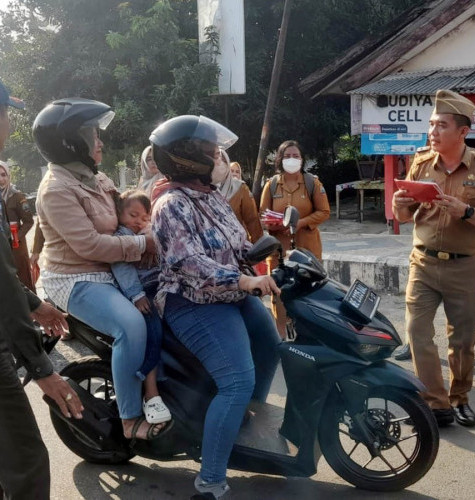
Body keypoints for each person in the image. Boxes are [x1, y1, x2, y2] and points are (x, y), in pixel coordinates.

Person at [0, 68, 83, 499]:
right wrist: (42, 368)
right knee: (28, 462)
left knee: (4, 456)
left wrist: (33, 303)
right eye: (8, 113)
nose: (10, 122)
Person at [149, 115, 281, 499]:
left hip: (230, 294)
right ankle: (209, 481)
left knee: (270, 347)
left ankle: (236, 418)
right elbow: (190, 264)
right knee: (237, 381)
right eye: (211, 152)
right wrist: (245, 281)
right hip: (192, 301)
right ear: (187, 160)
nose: (219, 157)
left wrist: (263, 255)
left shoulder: (212, 197)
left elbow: (235, 244)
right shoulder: (171, 205)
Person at [33, 97, 171, 442]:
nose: (100, 142)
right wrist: (143, 245)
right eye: (93, 136)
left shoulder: (98, 178)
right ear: (70, 142)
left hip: (115, 268)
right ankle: (129, 418)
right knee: (132, 324)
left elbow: (130, 214)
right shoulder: (56, 190)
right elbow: (91, 246)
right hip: (76, 277)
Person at [392, 89, 475, 428]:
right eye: (431, 125)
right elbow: (402, 216)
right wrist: (400, 201)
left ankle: (459, 398)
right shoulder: (421, 162)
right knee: (416, 331)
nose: (433, 132)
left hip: (464, 266)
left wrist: (466, 210)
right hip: (423, 262)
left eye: (441, 125)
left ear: (463, 132)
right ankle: (436, 402)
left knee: (462, 341)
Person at [111, 189, 171, 424]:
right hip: (141, 293)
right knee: (152, 331)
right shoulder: (122, 237)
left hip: (159, 287)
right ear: (120, 214)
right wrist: (136, 296)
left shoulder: (149, 233)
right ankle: (151, 391)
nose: (139, 222)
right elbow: (121, 267)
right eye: (133, 215)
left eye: (144, 217)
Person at [259, 140, 330, 337]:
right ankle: (281, 339)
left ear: (302, 159)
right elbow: (263, 214)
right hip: (278, 252)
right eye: (287, 156)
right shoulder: (271, 185)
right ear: (280, 160)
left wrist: (300, 222)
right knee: (279, 295)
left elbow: (324, 211)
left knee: (308, 293)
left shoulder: (312, 183)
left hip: (307, 251)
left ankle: (308, 338)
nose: (292, 159)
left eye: (296, 156)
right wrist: (273, 224)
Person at [0, 159, 36, 291]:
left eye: (3, 175)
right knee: (6, 284)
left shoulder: (17, 196)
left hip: (17, 247)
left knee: (25, 281)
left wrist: (16, 237)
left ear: (8, 176)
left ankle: (34, 311)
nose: (0, 179)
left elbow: (29, 221)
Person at [213, 149, 263, 243]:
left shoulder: (240, 188)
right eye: (216, 158)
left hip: (238, 247)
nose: (219, 163)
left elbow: (252, 221)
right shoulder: (202, 188)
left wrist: (259, 250)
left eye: (223, 160)